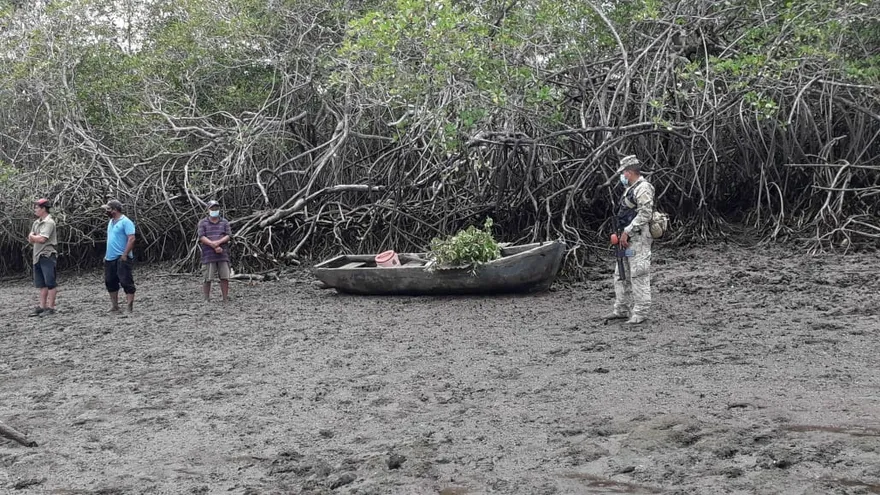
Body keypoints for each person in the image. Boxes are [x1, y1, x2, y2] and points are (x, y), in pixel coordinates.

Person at [604, 155, 655, 325]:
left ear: (630, 172)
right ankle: (621, 309)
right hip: (624, 239)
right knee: (621, 273)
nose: (622, 176)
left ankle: (640, 312)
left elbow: (645, 213)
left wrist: (628, 231)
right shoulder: (630, 188)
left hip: (638, 238)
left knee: (638, 272)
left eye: (624, 173)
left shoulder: (644, 188)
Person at [103, 199, 136, 312]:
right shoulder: (111, 222)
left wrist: (125, 254)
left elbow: (131, 239)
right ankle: (115, 306)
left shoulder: (126, 222)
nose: (106, 211)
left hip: (121, 256)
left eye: (108, 209)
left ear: (115, 210)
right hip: (110, 257)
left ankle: (129, 307)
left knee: (126, 281)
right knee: (110, 281)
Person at [28, 198, 58, 316]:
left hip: (47, 255)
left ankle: (51, 308)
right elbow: (30, 238)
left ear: (43, 209)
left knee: (50, 282)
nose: (35, 210)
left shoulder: (49, 222)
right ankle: (42, 306)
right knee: (41, 284)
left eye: (37, 207)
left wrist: (33, 237)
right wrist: (34, 237)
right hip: (37, 255)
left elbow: (42, 239)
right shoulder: (36, 222)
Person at [198, 200, 232, 302]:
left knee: (225, 277)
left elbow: (228, 235)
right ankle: (206, 298)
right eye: (212, 208)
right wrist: (213, 245)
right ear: (208, 210)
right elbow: (201, 236)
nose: (214, 210)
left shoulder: (224, 222)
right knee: (207, 278)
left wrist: (218, 243)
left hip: (222, 253)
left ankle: (225, 298)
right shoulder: (202, 223)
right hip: (208, 254)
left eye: (216, 208)